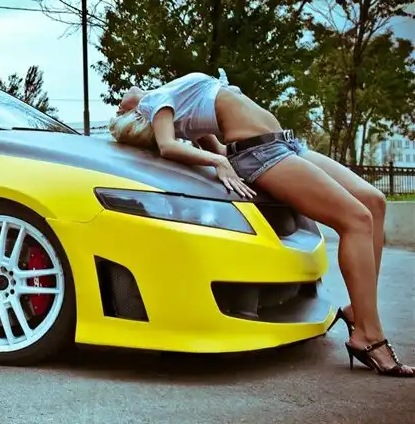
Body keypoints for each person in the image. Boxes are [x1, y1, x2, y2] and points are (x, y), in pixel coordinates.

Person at [108, 70, 412, 377]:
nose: (119, 104)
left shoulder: (179, 104)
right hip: (261, 153)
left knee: (373, 202)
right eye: (120, 110)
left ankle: (359, 311)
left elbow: (219, 149)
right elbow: (168, 146)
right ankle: (368, 335)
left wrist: (220, 157)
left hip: (286, 145)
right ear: (135, 114)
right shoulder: (155, 102)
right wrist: (219, 163)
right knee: (356, 220)